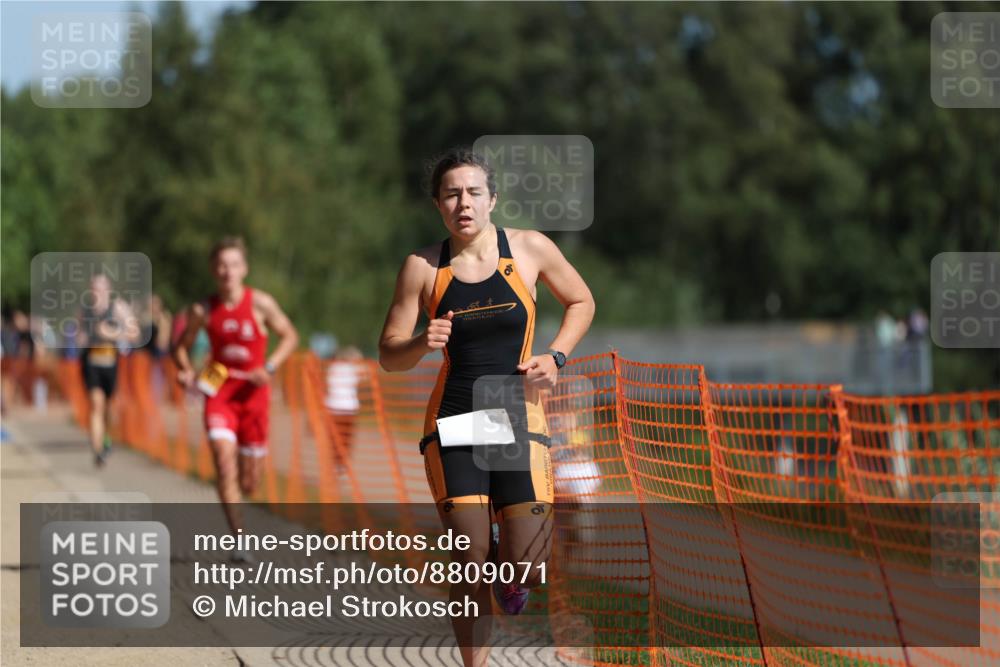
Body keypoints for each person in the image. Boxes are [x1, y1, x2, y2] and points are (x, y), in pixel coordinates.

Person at [378, 148, 595, 667]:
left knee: (524, 563)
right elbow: (388, 352)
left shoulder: (529, 249)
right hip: (455, 417)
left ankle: (508, 560)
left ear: (492, 199)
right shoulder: (422, 267)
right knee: (468, 560)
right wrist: (419, 343)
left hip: (517, 413)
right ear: (438, 205)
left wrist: (557, 356)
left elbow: (582, 301)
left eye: (474, 192)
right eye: (452, 194)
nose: (464, 203)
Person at [172, 237, 298, 559]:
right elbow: (180, 349)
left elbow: (290, 336)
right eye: (221, 265)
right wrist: (186, 371)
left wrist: (269, 367)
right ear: (214, 270)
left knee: (249, 479)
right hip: (219, 390)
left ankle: (243, 494)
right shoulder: (203, 309)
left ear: (244, 268)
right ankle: (240, 541)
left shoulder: (260, 304)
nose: (227, 271)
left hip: (254, 392)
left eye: (233, 264)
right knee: (223, 462)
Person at [77, 274, 140, 466]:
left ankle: (105, 438)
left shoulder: (118, 308)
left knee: (108, 407)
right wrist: (81, 339)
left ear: (108, 290)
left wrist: (111, 333)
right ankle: (98, 451)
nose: (98, 292)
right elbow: (78, 335)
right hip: (90, 362)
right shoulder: (84, 310)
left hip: (111, 363)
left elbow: (135, 334)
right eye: (95, 288)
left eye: (102, 288)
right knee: (96, 404)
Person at [324, 345, 363, 470]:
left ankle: (336, 462)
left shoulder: (332, 368)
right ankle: (342, 462)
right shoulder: (352, 369)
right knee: (346, 436)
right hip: (349, 408)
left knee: (335, 437)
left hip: (334, 407)